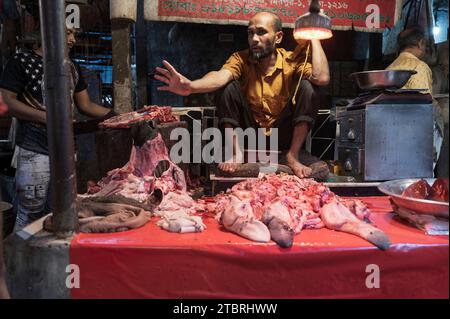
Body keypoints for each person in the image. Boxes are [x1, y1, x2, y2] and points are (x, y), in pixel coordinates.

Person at [154, 12, 330, 179]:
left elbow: (321, 78)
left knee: (310, 87)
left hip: (282, 135)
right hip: (250, 135)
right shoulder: (240, 59)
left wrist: (314, 38)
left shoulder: (292, 61)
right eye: (250, 33)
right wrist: (191, 86)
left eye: (261, 32)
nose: (254, 39)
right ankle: (236, 152)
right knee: (227, 86)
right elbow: (219, 76)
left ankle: (292, 155)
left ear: (278, 37)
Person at [0, 27, 114, 230]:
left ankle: (51, 258)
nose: (73, 40)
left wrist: (116, 115)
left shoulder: (71, 67)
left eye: (74, 35)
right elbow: (7, 102)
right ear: (48, 31)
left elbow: (85, 105)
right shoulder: (22, 62)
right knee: (30, 210)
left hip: (67, 149)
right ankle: (23, 258)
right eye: (67, 33)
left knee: (59, 210)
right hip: (34, 147)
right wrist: (46, 117)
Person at [386, 27, 444, 170]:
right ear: (420, 43)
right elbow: (424, 104)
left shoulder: (389, 68)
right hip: (417, 137)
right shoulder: (420, 66)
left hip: (392, 134)